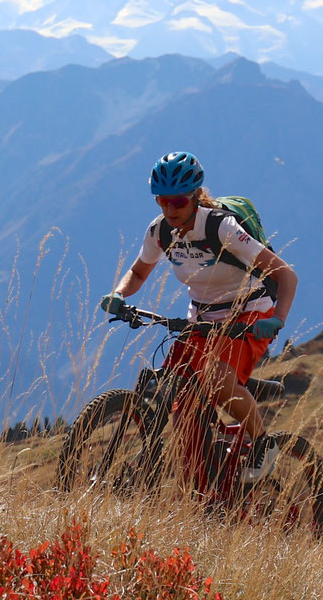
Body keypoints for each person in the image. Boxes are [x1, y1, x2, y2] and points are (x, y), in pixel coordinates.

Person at [99, 150, 299, 483]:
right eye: (162, 201)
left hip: (250, 312)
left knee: (218, 377)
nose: (169, 209)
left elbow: (286, 276)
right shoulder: (159, 231)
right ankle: (202, 493)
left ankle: (263, 443)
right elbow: (137, 272)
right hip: (202, 318)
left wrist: (277, 318)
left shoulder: (222, 228)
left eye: (177, 201)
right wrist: (119, 294)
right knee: (181, 402)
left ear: (194, 197)